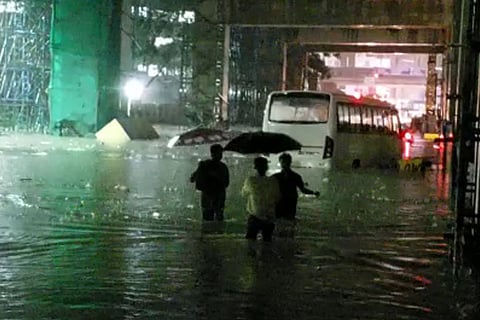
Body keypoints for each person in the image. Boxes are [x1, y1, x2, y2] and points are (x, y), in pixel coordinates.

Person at [241, 157, 280, 242]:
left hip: (255, 216)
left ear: (255, 167)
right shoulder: (273, 181)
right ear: (267, 167)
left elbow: (244, 194)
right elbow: (277, 198)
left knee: (250, 244)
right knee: (267, 243)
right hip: (269, 217)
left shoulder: (250, 180)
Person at [272, 153, 320, 220]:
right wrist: (313, 193)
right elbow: (303, 190)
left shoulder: (276, 177)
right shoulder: (294, 176)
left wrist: (313, 192)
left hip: (286, 202)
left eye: (287, 162)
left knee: (281, 221)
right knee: (287, 221)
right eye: (284, 162)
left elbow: (303, 189)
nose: (285, 164)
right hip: (285, 202)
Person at [190, 144, 229, 221]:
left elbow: (192, 179)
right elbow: (226, 183)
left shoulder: (204, 165)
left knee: (208, 217)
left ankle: (207, 231)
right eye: (220, 153)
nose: (221, 155)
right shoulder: (223, 167)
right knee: (218, 217)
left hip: (208, 195)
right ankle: (217, 231)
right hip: (218, 196)